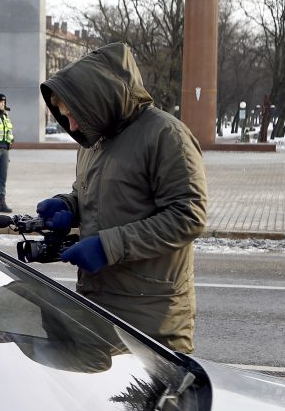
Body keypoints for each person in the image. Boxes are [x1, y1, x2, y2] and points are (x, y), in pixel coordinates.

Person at [37, 42, 208, 353]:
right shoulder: (94, 142)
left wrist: (108, 246)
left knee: (155, 402)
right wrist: (68, 205)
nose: (71, 125)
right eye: (65, 116)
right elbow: (93, 194)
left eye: (73, 114)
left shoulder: (166, 135)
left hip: (153, 318)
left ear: (97, 99)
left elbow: (188, 216)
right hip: (98, 305)